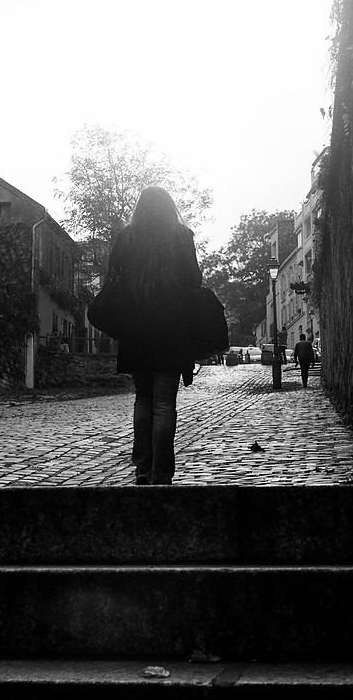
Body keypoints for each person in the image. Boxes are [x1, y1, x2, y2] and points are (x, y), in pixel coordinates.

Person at [103, 186, 202, 485]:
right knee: (164, 404)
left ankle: (142, 469)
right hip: (172, 329)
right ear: (169, 208)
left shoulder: (127, 238)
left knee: (143, 400)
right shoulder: (182, 237)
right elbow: (194, 282)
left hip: (136, 329)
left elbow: (113, 282)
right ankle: (162, 473)